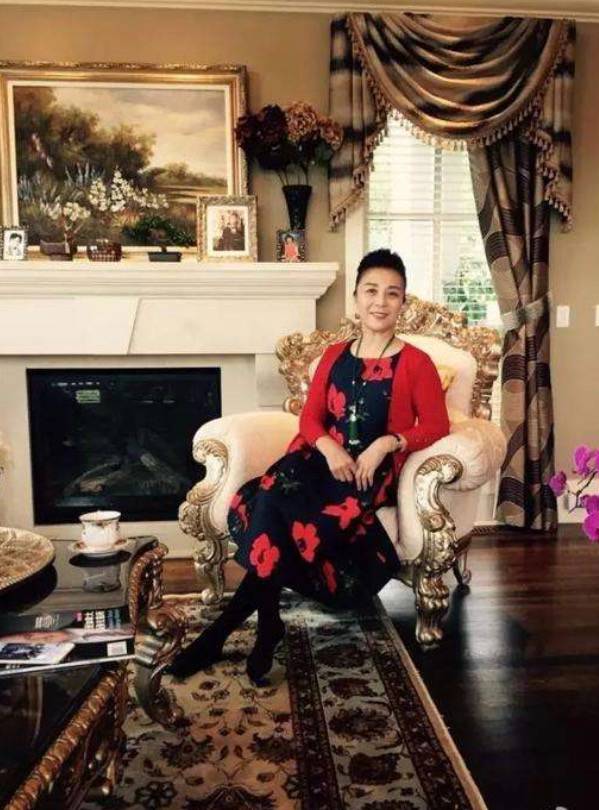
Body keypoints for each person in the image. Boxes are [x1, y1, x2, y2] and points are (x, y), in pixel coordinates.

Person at [168, 249, 450, 685]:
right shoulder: (335, 355)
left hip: (364, 476)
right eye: (371, 291)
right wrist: (329, 449)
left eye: (392, 293)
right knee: (267, 500)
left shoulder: (416, 363)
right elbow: (310, 419)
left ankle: (222, 635)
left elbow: (435, 425)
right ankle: (264, 624)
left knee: (280, 518)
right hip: (316, 459)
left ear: (402, 302)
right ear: (355, 298)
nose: (380, 302)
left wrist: (386, 444)